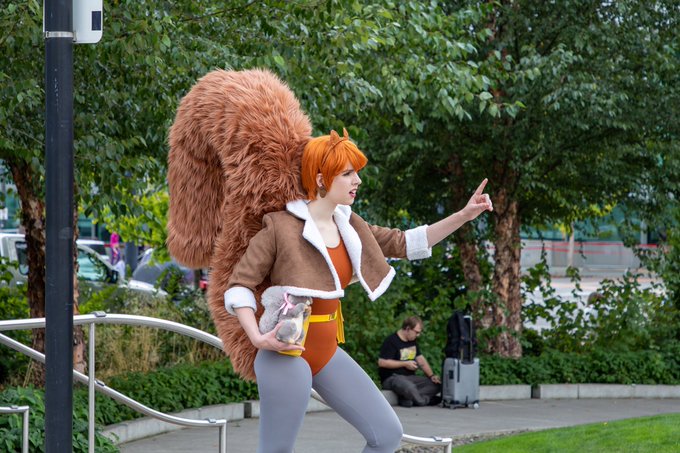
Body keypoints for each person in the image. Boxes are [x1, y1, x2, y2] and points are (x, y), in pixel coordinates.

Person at [225, 129, 493, 452]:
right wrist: (257, 338)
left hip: (326, 352)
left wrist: (464, 215)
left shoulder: (351, 226)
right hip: (284, 353)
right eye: (348, 173)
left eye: (357, 173)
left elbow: (407, 243)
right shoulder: (280, 226)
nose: (358, 180)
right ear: (321, 179)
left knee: (387, 433)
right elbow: (240, 285)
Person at [378, 316, 442, 407]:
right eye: (416, 332)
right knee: (409, 387)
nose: (418, 335)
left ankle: (406, 398)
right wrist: (405, 364)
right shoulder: (391, 341)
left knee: (437, 385)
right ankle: (423, 401)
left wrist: (431, 376)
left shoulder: (413, 341)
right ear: (408, 329)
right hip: (393, 378)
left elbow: (421, 360)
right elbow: (382, 362)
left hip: (410, 378)